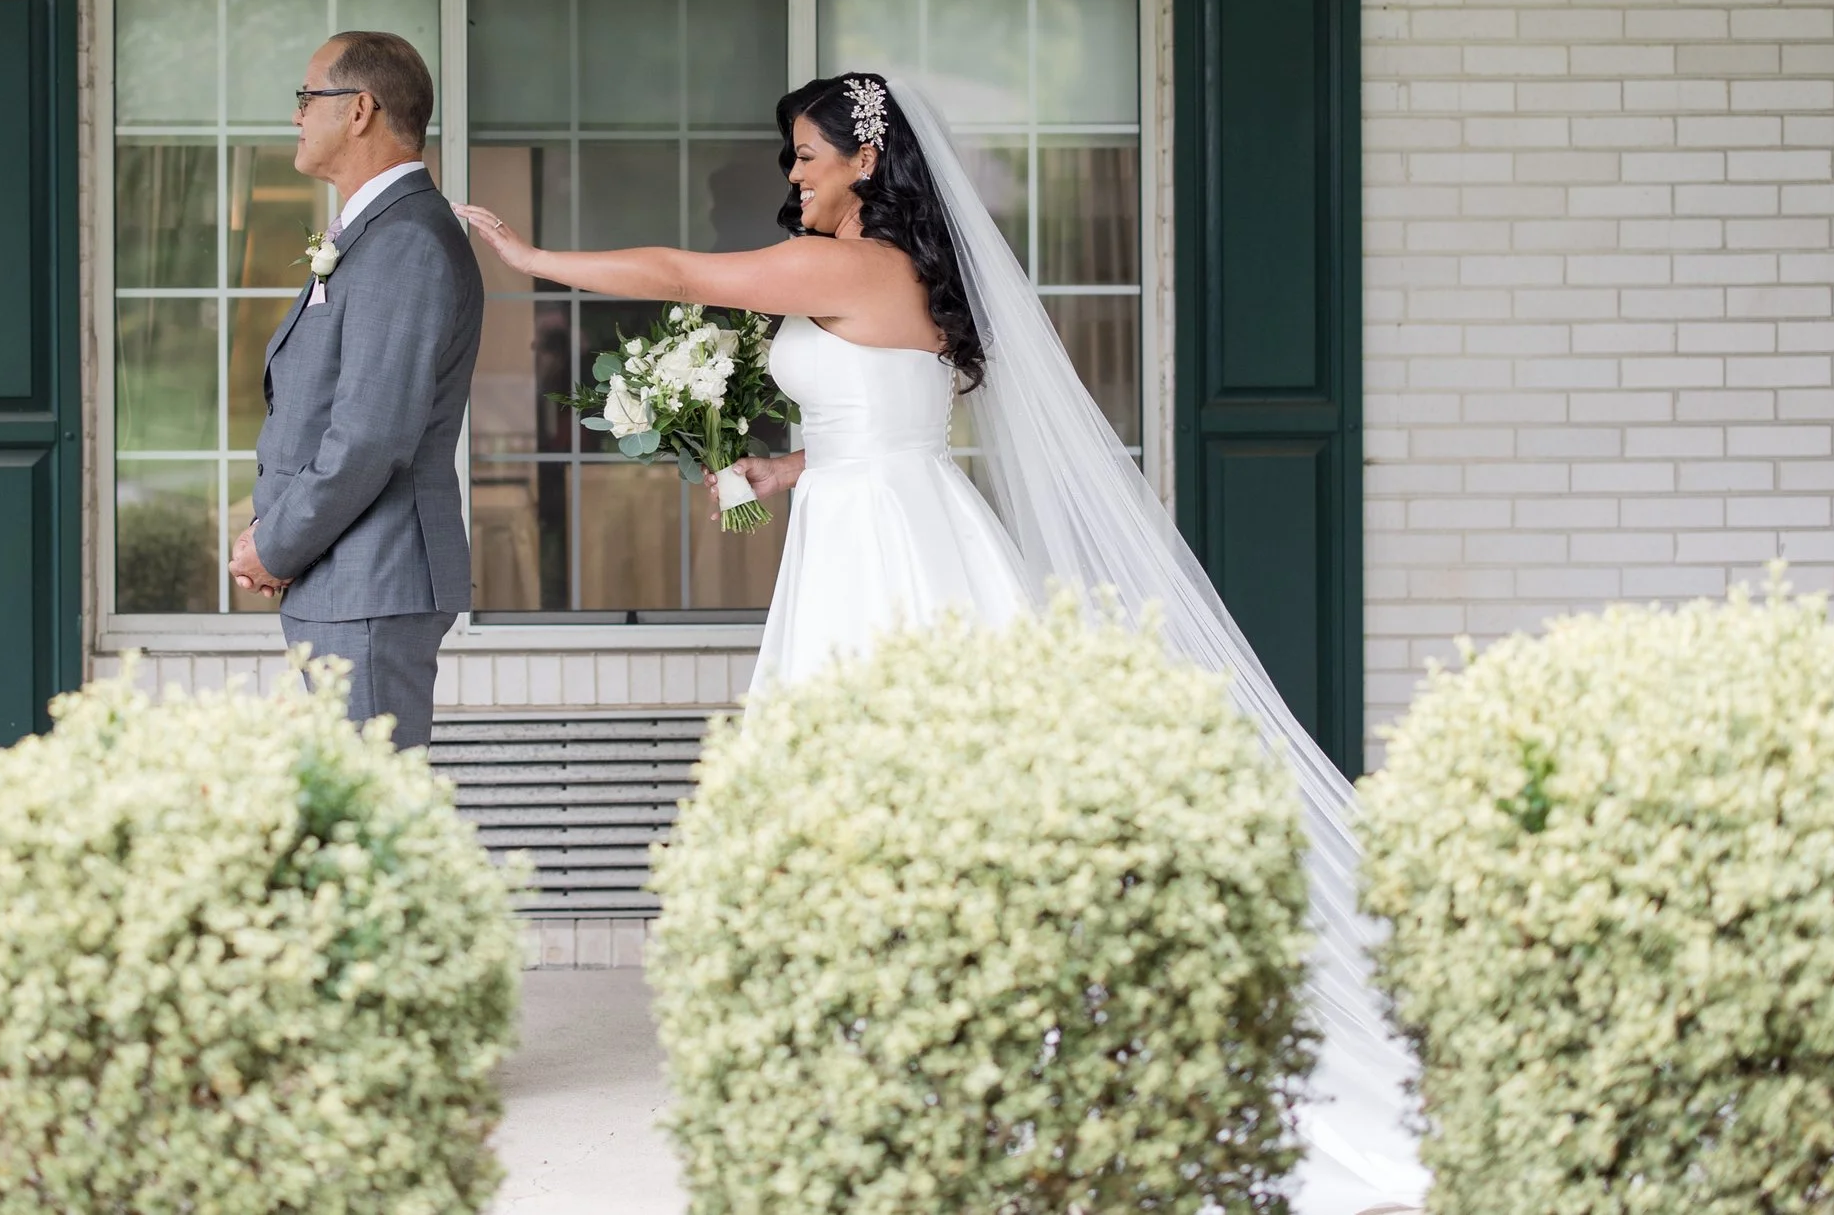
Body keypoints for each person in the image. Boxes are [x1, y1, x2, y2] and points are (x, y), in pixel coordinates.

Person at [457, 71, 1426, 1214]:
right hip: (896, 507)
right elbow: (891, 421)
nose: (792, 174)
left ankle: (894, 1038)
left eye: (806, 154)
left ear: (867, 160)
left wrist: (529, 259)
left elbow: (678, 272)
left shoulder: (846, 265)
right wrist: (782, 464)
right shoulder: (911, 274)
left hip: (876, 541)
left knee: (851, 775)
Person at [230, 30, 482, 750]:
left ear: (360, 109)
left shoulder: (404, 240)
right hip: (345, 575)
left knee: (375, 815)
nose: (296, 116)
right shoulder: (373, 230)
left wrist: (275, 544)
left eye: (307, 98)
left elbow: (370, 434)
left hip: (374, 574)